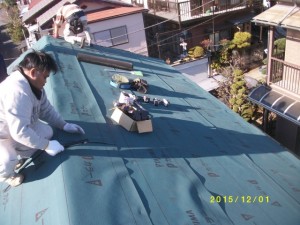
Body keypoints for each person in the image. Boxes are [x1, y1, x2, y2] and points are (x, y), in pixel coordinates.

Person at [0, 51, 85, 187]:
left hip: (15, 128)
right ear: (33, 72)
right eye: (45, 77)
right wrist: (46, 145)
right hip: (2, 136)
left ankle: (19, 152)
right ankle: (7, 176)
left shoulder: (34, 85)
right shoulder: (17, 93)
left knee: (48, 133)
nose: (46, 81)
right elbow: (20, 132)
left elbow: (46, 110)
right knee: (6, 160)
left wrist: (64, 125)